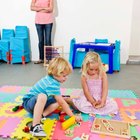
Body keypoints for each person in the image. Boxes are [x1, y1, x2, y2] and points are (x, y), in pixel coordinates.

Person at [22, 57, 82, 137]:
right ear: (55, 73)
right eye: (64, 75)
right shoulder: (51, 84)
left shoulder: (52, 79)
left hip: (37, 104)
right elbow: (62, 102)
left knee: (59, 99)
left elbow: (59, 99)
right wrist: (73, 116)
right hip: (29, 103)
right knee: (44, 96)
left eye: (67, 75)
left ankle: (42, 115)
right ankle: (35, 126)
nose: (66, 78)